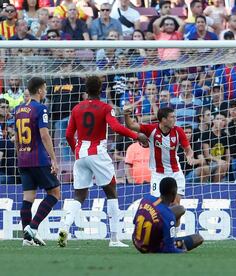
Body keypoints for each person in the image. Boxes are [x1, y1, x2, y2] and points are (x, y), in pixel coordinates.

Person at [59, 76, 141, 248]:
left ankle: (64, 227)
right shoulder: (105, 108)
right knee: (111, 192)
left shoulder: (76, 108)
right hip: (98, 153)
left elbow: (67, 135)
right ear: (101, 89)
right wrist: (136, 135)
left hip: (81, 153)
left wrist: (76, 149)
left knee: (79, 195)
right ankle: (114, 239)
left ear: (85, 90)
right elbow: (117, 128)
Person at [15, 77, 61, 246]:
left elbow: (16, 138)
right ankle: (32, 228)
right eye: (45, 89)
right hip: (38, 159)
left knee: (28, 198)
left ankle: (26, 238)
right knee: (55, 193)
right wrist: (54, 159)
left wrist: (20, 154)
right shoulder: (41, 108)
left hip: (23, 158)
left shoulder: (18, 109)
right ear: (40, 90)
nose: (46, 91)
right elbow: (44, 135)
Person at [124, 106, 194, 203]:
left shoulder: (178, 131)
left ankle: (175, 219)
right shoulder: (151, 129)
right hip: (158, 174)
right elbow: (131, 125)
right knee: (157, 204)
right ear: (164, 120)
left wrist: (189, 156)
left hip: (175, 172)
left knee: (176, 204)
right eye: (172, 117)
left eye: (175, 117)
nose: (175, 119)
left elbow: (188, 150)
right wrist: (125, 114)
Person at [132, 177, 204, 253]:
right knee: (198, 238)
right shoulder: (169, 217)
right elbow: (170, 249)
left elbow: (135, 222)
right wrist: (182, 251)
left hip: (136, 242)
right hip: (152, 249)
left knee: (180, 209)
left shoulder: (146, 199)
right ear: (174, 194)